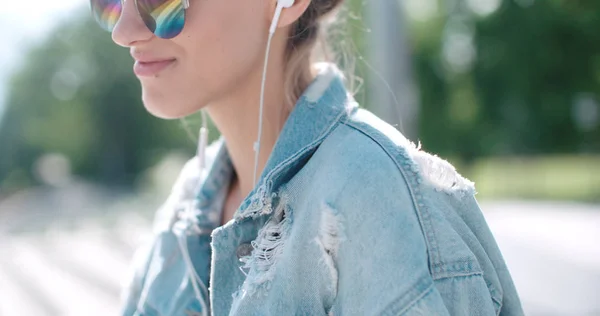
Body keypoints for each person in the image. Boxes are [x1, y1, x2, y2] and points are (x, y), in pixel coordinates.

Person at [89, 0, 524, 315]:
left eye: (160, 0)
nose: (123, 30)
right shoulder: (186, 204)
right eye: (110, 0)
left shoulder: (377, 200)